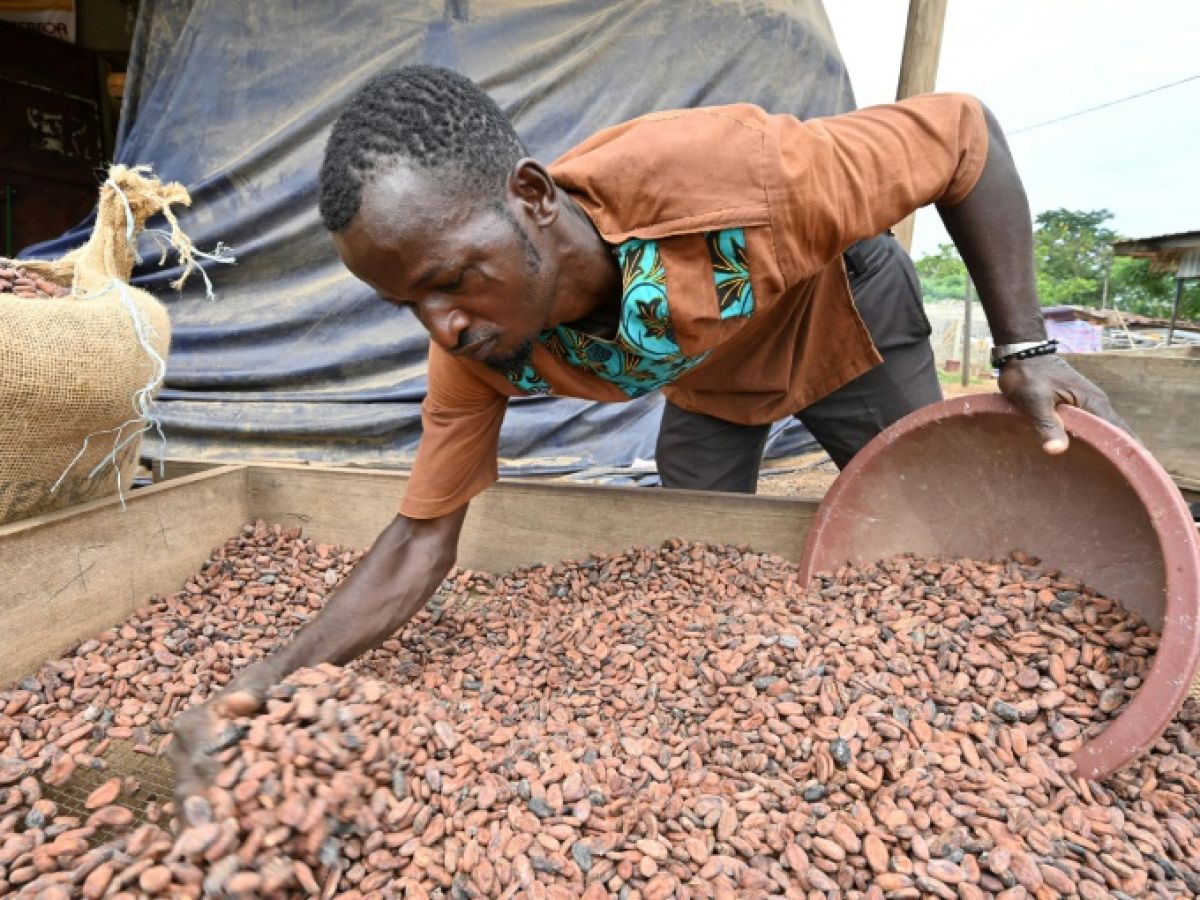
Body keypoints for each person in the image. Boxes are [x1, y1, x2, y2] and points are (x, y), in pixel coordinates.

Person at [170, 65, 1125, 802]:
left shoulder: (738, 175)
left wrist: (1026, 343)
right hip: (707, 375)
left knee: (942, 532)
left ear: (534, 197)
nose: (442, 326)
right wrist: (263, 681)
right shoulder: (474, 351)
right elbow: (424, 538)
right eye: (406, 302)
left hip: (841, 323)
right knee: (696, 570)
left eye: (454, 277)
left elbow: (964, 134)